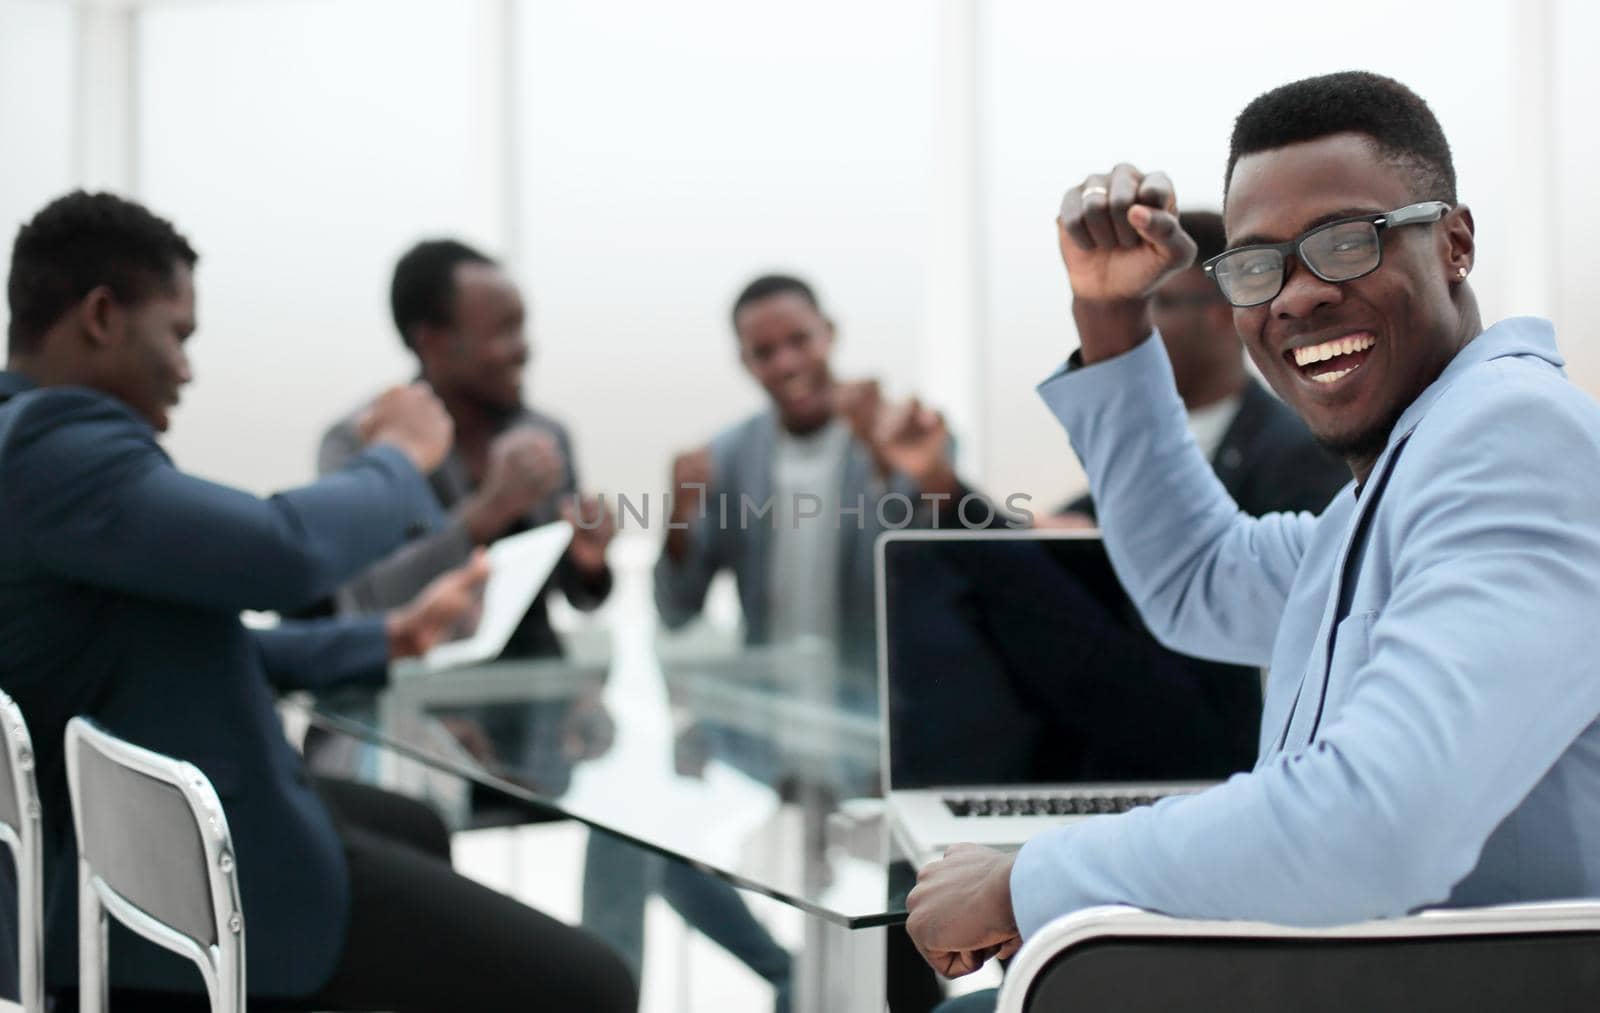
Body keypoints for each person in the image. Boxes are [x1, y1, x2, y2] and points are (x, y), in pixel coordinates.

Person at [907, 70, 1600, 1007]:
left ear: (1455, 243)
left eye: (1346, 243)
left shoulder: (1514, 435)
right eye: (1256, 264)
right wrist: (1111, 315)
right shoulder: (1402, 476)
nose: (1297, 297)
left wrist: (1021, 881)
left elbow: (1377, 822)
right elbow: (1200, 577)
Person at [0, 191, 635, 1012]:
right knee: (596, 985)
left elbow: (200, 640)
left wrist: (390, 638)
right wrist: (401, 456)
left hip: (141, 829)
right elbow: (283, 552)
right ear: (100, 316)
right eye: (179, 335)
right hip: (190, 872)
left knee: (418, 827)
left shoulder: (30, 441)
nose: (188, 369)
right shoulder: (59, 452)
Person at [656, 273, 974, 691]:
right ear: (745, 361)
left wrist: (883, 459)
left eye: (800, 340)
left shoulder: (905, 434)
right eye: (764, 352)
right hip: (775, 719)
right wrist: (679, 519)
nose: (786, 364)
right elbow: (676, 611)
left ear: (830, 334)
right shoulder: (728, 459)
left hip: (887, 712)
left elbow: (940, 569)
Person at [319, 239, 615, 649]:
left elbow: (579, 598)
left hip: (533, 684)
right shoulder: (360, 440)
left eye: (522, 327)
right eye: (503, 331)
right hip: (410, 690)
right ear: (432, 342)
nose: (523, 348)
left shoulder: (545, 432)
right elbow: (369, 600)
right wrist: (487, 512)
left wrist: (590, 564)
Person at [1050, 210, 1346, 524]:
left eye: (1158, 302)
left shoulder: (1299, 453)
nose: (1136, 323)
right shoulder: (1145, 441)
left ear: (1223, 314)